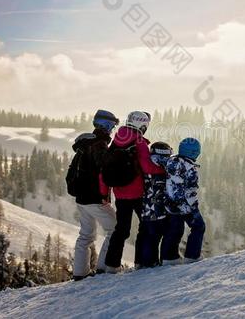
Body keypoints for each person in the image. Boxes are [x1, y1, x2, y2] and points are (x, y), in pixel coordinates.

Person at [100, 111, 164, 273]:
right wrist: (164, 170)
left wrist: (104, 193)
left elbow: (104, 169)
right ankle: (141, 261)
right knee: (145, 226)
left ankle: (112, 265)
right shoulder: (139, 141)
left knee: (121, 229)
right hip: (137, 193)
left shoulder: (116, 139)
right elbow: (147, 166)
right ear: (142, 125)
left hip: (120, 193)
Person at [69, 110, 119, 281]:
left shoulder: (85, 143)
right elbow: (105, 167)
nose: (112, 129)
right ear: (105, 125)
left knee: (86, 235)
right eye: (112, 125)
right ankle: (103, 268)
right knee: (115, 229)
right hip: (95, 198)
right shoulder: (99, 144)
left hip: (82, 198)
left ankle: (80, 273)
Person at [161, 137, 205, 265]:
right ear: (194, 152)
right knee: (198, 227)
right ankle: (192, 256)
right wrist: (194, 206)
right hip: (185, 206)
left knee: (175, 230)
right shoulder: (190, 168)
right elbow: (190, 190)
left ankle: (169, 258)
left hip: (170, 204)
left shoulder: (170, 162)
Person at [138, 141, 172, 268]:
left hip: (146, 208)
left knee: (149, 236)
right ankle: (154, 262)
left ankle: (147, 261)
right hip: (159, 209)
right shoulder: (163, 167)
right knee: (158, 236)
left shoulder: (146, 164)